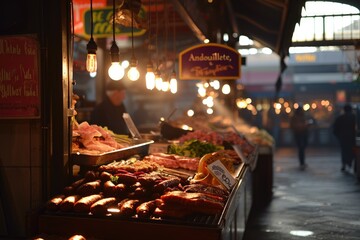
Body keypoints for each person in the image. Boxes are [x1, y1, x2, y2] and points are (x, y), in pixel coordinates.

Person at [333, 104, 356, 172]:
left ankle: (344, 164)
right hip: (352, 137)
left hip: (343, 137)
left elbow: (335, 129)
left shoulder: (340, 118)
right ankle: (349, 163)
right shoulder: (354, 117)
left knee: (344, 151)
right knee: (352, 151)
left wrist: (339, 136)